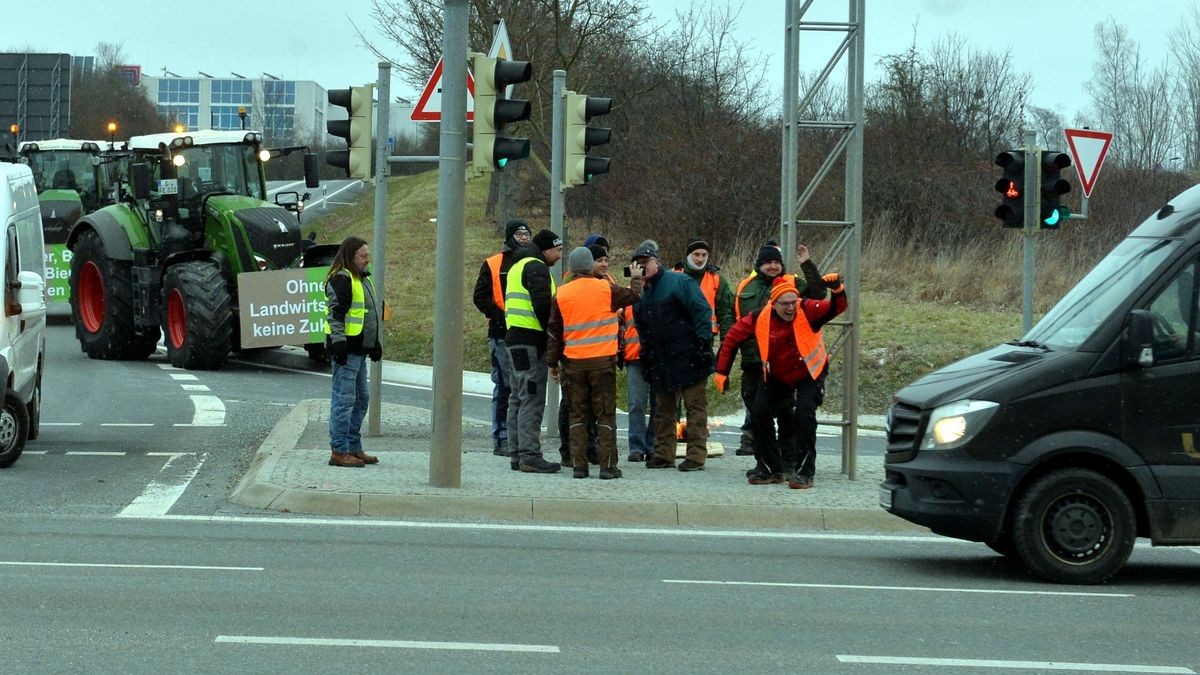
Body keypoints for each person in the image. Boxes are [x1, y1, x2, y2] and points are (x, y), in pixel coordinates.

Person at [715, 273, 847, 487]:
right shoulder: (760, 317)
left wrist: (838, 290)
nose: (790, 308)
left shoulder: (807, 309)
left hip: (810, 372)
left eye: (793, 303)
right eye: (785, 304)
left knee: (804, 414)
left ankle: (805, 472)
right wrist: (721, 371)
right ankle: (770, 468)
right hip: (777, 374)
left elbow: (836, 308)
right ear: (773, 304)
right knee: (758, 413)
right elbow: (732, 337)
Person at [547, 247, 644, 479]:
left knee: (577, 415)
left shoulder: (561, 294)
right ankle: (607, 467)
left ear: (571, 268)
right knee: (605, 415)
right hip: (602, 363)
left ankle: (579, 467)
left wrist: (552, 363)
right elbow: (634, 297)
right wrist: (637, 278)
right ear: (590, 266)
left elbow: (554, 332)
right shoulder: (605, 288)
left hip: (573, 364)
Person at [731, 242, 826, 465]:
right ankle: (765, 462)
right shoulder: (746, 286)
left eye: (777, 262)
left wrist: (807, 265)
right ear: (759, 264)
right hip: (754, 361)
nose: (773, 266)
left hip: (786, 363)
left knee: (788, 414)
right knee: (757, 413)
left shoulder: (794, 283)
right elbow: (733, 321)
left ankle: (790, 461)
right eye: (768, 262)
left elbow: (819, 294)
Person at [630, 240, 714, 472]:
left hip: (689, 354)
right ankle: (664, 453)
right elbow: (643, 329)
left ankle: (696, 456)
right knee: (663, 409)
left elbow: (701, 311)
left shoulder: (679, 282)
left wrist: (704, 343)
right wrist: (646, 356)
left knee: (695, 408)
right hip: (662, 359)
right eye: (638, 264)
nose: (642, 268)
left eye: (646, 263)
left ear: (657, 262)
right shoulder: (642, 295)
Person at [505, 229, 564, 474]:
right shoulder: (537, 267)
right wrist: (553, 340)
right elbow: (543, 309)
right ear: (546, 249)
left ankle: (517, 453)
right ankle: (530, 455)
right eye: (558, 250)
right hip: (531, 341)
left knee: (517, 397)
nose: (560, 256)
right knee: (532, 397)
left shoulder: (517, 266)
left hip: (514, 339)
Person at [472, 219, 531, 458]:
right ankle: (502, 437)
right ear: (509, 236)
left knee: (523, 387)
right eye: (520, 233)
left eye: (527, 234)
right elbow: (480, 296)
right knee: (506, 386)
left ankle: (518, 437)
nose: (525, 238)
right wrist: (501, 317)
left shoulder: (531, 263)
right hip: (502, 335)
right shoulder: (494, 263)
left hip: (525, 334)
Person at [324, 235, 384, 468]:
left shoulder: (361, 279)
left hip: (358, 349)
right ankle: (339, 450)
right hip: (347, 349)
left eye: (367, 255)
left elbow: (369, 315)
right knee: (344, 400)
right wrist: (339, 343)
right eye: (363, 256)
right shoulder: (342, 278)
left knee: (360, 399)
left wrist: (374, 343)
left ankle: (352, 446)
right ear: (351, 256)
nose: (367, 260)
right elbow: (335, 314)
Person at [681, 239, 735, 338]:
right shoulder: (672, 275)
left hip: (705, 338)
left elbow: (726, 314)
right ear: (688, 255)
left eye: (704, 255)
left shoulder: (717, 280)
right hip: (677, 337)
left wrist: (726, 343)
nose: (700, 259)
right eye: (696, 254)